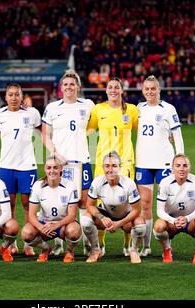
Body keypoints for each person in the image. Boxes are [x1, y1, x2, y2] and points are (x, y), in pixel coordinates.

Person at [42, 69, 95, 256]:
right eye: (66, 84)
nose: (69, 87)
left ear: (78, 87)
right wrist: (55, 154)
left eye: (72, 84)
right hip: (60, 164)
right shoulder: (52, 107)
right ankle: (58, 243)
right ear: (61, 88)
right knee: (60, 203)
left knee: (84, 203)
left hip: (82, 162)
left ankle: (89, 244)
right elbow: (45, 136)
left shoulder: (88, 105)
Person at [87, 77, 139, 257]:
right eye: (110, 87)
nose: (113, 90)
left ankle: (127, 244)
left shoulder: (132, 110)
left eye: (117, 87)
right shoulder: (98, 109)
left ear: (122, 90)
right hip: (103, 164)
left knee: (125, 206)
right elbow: (88, 130)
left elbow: (142, 131)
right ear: (106, 90)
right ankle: (100, 245)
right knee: (102, 205)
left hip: (125, 163)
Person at [135, 75, 184, 257]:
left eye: (153, 89)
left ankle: (166, 246)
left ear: (159, 90)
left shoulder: (168, 109)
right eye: (146, 89)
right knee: (145, 205)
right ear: (142, 91)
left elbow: (177, 135)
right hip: (143, 163)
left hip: (164, 162)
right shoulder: (138, 109)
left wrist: (179, 160)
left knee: (166, 205)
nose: (150, 92)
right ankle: (146, 246)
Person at [0, 83, 41, 257]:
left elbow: (43, 133)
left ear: (22, 96)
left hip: (27, 166)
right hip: (6, 166)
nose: (13, 98)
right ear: (5, 97)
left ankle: (29, 242)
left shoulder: (32, 113)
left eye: (16, 94)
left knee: (28, 205)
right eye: (10, 95)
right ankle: (11, 242)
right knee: (9, 205)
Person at [81, 151, 146, 264]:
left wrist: (119, 223)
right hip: (106, 214)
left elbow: (137, 210)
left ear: (120, 167)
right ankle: (95, 250)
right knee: (85, 220)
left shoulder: (129, 184)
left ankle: (133, 250)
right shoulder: (97, 182)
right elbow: (89, 206)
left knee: (141, 225)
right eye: (107, 166)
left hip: (125, 216)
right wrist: (102, 218)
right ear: (103, 167)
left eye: (114, 166)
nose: (110, 170)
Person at [21, 156, 82, 263]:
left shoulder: (70, 185)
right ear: (45, 169)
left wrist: (56, 225)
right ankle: (45, 248)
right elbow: (31, 215)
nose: (52, 171)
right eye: (49, 168)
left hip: (64, 225)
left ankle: (69, 251)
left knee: (74, 231)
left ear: (61, 169)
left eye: (55, 167)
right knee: (26, 233)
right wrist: (41, 227)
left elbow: (72, 215)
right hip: (44, 224)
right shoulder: (37, 186)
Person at [153, 154, 195, 264]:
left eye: (185, 165)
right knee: (159, 226)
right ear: (172, 168)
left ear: (189, 167)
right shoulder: (165, 182)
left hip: (190, 221)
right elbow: (159, 210)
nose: (181, 169)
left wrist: (187, 218)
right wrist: (173, 220)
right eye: (178, 165)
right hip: (172, 222)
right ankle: (167, 250)